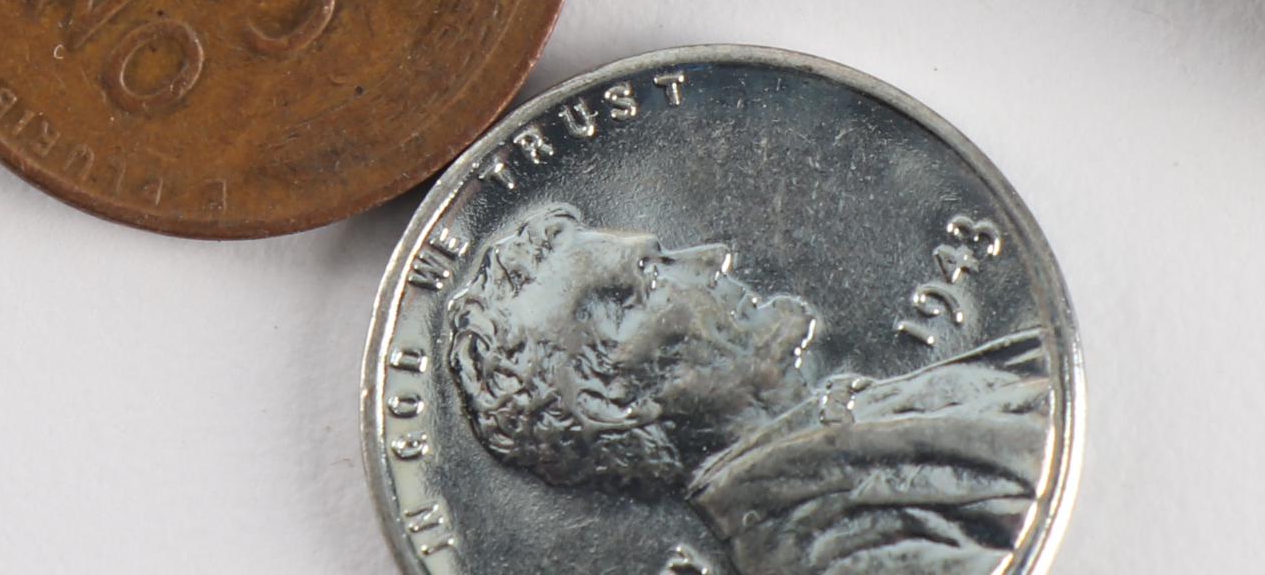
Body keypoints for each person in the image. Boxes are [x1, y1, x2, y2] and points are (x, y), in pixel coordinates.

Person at [442, 201, 1050, 575]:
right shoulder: (833, 556)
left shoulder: (844, 430)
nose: (714, 257)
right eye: (652, 275)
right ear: (613, 400)